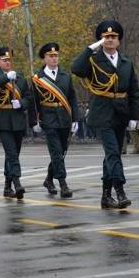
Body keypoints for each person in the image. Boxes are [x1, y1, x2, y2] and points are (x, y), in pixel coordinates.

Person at [71, 20, 139, 209]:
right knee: (112, 152)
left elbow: (134, 90)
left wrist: (134, 116)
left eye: (113, 37)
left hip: (121, 112)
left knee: (113, 154)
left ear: (119, 40)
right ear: (101, 40)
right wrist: (89, 49)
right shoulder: (93, 60)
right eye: (106, 37)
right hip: (102, 112)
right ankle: (120, 191)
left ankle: (105, 195)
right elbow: (75, 69)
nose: (110, 40)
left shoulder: (126, 62)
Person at [31, 42, 79, 198]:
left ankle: (48, 179)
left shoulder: (65, 76)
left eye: (56, 56)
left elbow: (72, 98)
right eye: (51, 56)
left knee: (61, 152)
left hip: (64, 118)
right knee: (56, 152)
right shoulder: (38, 78)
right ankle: (63, 184)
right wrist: (34, 121)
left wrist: (75, 119)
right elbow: (34, 101)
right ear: (44, 58)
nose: (54, 58)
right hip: (48, 118)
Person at [0, 47, 33, 199]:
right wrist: (6, 78)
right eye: (5, 60)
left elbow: (29, 97)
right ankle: (17, 184)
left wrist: (21, 103)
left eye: (9, 60)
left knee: (13, 154)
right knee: (12, 154)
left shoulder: (19, 77)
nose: (8, 62)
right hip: (3, 120)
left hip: (18, 119)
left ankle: (7, 186)